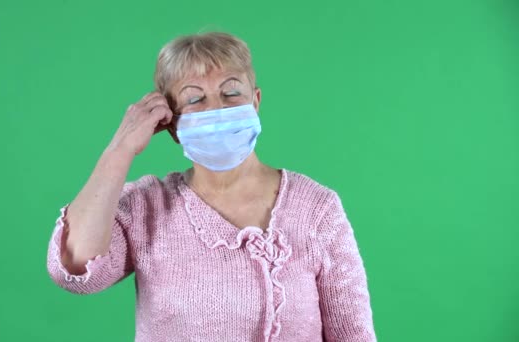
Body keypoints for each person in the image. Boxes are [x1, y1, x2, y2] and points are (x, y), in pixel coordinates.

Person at [46, 31, 377, 342]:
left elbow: (354, 335)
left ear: (256, 101)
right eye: (195, 99)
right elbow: (76, 270)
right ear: (172, 125)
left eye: (231, 92)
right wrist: (120, 149)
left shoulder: (317, 209)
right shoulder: (147, 207)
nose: (216, 109)